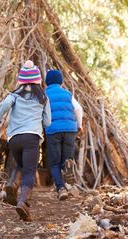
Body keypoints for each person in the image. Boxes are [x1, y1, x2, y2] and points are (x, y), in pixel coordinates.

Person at [0, 60, 51, 221]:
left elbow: (3, 106)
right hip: (32, 137)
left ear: (21, 80)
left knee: (20, 166)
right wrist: (39, 122)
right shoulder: (43, 97)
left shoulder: (14, 96)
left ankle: (11, 184)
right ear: (38, 80)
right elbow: (48, 122)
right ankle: (23, 202)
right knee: (29, 171)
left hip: (14, 138)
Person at [44, 69, 83, 200]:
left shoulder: (45, 94)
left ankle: (61, 188)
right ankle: (69, 180)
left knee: (54, 162)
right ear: (61, 82)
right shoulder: (67, 94)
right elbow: (78, 108)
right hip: (70, 129)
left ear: (46, 82)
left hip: (53, 130)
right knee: (66, 159)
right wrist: (80, 125)